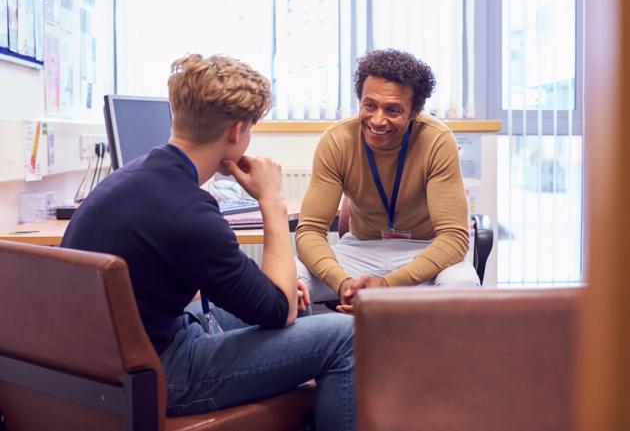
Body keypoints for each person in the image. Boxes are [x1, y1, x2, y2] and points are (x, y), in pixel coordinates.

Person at [61, 54, 355, 430]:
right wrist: (273, 202)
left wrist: (278, 296)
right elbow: (277, 310)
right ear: (236, 133)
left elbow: (265, 298)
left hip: (106, 360)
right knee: (345, 335)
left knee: (300, 305)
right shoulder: (190, 212)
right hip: (159, 373)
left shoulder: (131, 176)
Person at [296, 49, 479, 313]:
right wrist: (343, 283)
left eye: (392, 109)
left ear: (415, 112)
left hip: (424, 250)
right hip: (360, 250)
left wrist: (388, 284)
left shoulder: (437, 140)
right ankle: (316, 350)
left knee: (463, 287)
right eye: (369, 105)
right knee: (288, 278)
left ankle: (437, 355)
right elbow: (310, 231)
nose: (378, 120)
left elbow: (453, 238)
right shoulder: (337, 140)